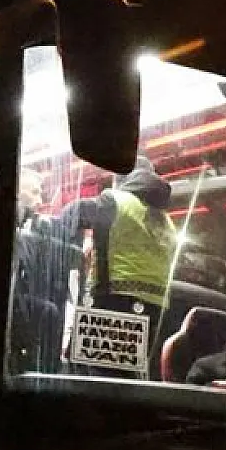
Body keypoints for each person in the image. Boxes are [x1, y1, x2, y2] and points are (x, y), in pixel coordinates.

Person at [61, 154, 177, 372]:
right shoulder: (165, 219)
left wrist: (64, 253)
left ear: (121, 180)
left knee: (88, 375)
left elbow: (73, 213)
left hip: (113, 301)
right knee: (127, 375)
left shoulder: (115, 200)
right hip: (155, 308)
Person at [6, 166, 81, 375]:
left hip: (15, 304)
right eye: (34, 192)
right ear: (16, 190)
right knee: (49, 313)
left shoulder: (26, 234)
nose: (40, 201)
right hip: (8, 306)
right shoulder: (10, 231)